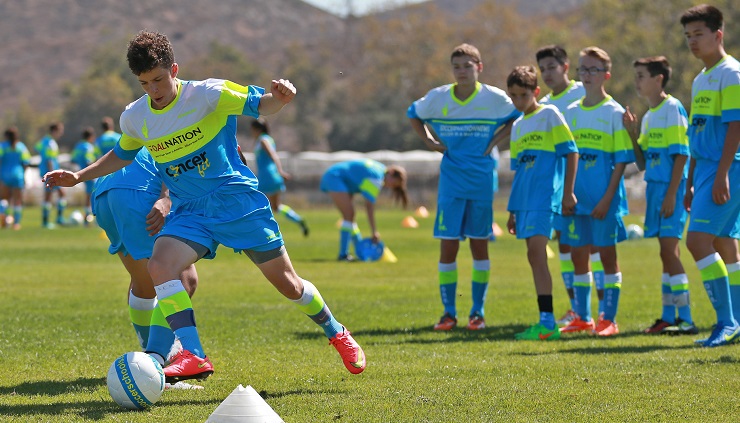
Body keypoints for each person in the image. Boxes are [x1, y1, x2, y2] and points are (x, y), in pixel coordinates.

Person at [43, 30, 366, 382]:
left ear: (175, 69)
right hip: (191, 209)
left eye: (158, 79)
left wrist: (281, 99)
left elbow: (262, 106)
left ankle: (337, 332)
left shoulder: (210, 94)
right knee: (161, 265)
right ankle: (194, 353)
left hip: (236, 200)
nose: (153, 90)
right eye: (144, 83)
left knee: (289, 285)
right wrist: (79, 177)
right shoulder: (136, 118)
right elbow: (122, 154)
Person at [408, 43, 520, 331]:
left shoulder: (495, 99)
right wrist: (430, 142)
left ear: (479, 68)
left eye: (467, 66)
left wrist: (495, 142)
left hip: (482, 182)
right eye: (457, 66)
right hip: (451, 183)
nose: (462, 71)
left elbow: (518, 115)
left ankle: (477, 313)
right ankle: (448, 313)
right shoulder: (439, 97)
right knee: (448, 249)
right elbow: (413, 113)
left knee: (479, 247)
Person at [92, 148, 200, 388]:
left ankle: (150, 359)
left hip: (106, 191)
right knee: (184, 279)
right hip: (142, 191)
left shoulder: (149, 114)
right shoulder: (200, 119)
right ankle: (155, 365)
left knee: (144, 284)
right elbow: (175, 151)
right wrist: (166, 195)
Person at [559, 46, 635, 337]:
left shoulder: (614, 112)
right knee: (578, 256)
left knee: (607, 258)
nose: (587, 75)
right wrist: (566, 194)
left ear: (606, 75)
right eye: (582, 69)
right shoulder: (572, 112)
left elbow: (620, 163)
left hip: (604, 203)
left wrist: (606, 199)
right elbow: (569, 156)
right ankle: (583, 317)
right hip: (577, 202)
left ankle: (609, 320)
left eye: (593, 70)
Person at [622, 56, 697, 335]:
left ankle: (686, 319)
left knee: (669, 251)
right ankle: (668, 317)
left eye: (641, 76)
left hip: (670, 190)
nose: (637, 82)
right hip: (655, 189)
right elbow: (642, 163)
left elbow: (681, 155)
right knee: (666, 254)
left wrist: (672, 194)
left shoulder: (672, 108)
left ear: (659, 79)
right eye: (636, 76)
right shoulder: (650, 115)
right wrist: (632, 133)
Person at [680, 4, 740, 347]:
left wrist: (722, 175)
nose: (692, 41)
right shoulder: (700, 79)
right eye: (688, 36)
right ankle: (737, 321)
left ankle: (725, 322)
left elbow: (736, 126)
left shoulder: (731, 73)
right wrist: (690, 182)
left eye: (698, 34)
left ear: (717, 34)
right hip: (704, 170)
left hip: (727, 168)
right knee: (722, 245)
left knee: (697, 241)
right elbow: (696, 134)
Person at [505, 66, 578, 341]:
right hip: (523, 202)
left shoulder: (549, 114)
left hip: (545, 196)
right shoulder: (517, 126)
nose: (518, 101)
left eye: (523, 95)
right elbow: (519, 171)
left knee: (537, 253)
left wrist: (568, 192)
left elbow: (571, 152)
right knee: (533, 257)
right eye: (513, 96)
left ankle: (548, 323)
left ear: (536, 92)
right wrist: (512, 210)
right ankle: (545, 320)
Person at [536, 45, 602, 327]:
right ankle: (577, 309)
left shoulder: (582, 91)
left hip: (589, 180)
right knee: (565, 246)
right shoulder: (545, 105)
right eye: (542, 69)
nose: (546, 74)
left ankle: (604, 311)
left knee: (596, 248)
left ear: (565, 66)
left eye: (551, 67)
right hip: (561, 186)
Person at [320, 159, 408, 261]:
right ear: (391, 173)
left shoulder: (380, 170)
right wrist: (374, 232)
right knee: (349, 214)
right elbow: (369, 206)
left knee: (350, 216)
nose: (390, 186)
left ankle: (358, 248)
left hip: (339, 177)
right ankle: (343, 255)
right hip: (335, 177)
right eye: (393, 183)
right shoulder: (376, 178)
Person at [250, 117, 309, 237]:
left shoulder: (262, 140)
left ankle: (266, 233)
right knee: (276, 206)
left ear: (256, 129)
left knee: (257, 204)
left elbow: (273, 155)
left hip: (267, 176)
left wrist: (281, 171)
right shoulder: (269, 139)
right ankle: (298, 220)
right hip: (273, 176)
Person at [36, 122, 67, 228]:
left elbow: (37, 148)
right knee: (56, 194)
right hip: (50, 171)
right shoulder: (50, 143)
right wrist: (53, 173)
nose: (61, 133)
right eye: (60, 130)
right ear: (55, 130)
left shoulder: (45, 140)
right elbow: (49, 159)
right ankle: (54, 220)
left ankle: (50, 220)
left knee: (52, 195)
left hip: (45, 171)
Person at [0, 127, 31, 230]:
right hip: (18, 175)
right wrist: (23, 173)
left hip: (4, 175)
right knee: (17, 200)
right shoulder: (21, 147)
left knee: (4, 199)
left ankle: (4, 219)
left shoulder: (2, 146)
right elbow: (26, 162)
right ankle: (16, 223)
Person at [71, 127, 98, 225]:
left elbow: (73, 159)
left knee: (88, 195)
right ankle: (91, 217)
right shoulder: (88, 147)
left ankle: (87, 216)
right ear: (90, 136)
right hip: (89, 174)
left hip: (79, 173)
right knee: (92, 195)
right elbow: (89, 161)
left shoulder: (78, 146)